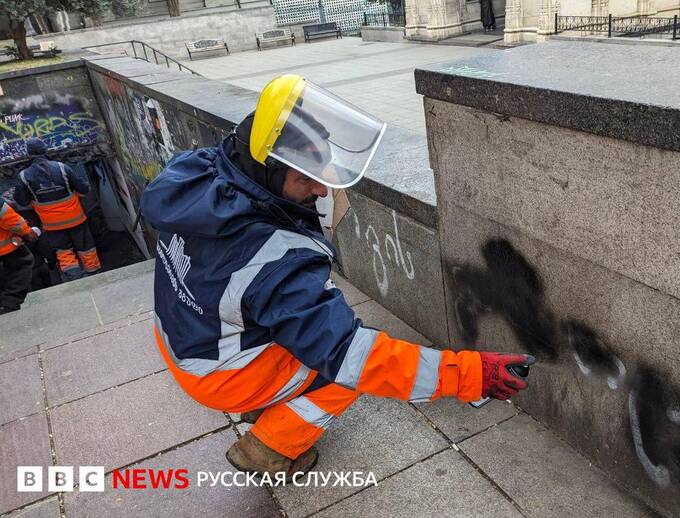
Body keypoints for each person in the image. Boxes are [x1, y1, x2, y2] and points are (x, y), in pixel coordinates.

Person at [141, 75, 534, 478]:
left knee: (314, 338)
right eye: (305, 178)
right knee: (345, 371)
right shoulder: (274, 261)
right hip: (217, 373)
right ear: (271, 172)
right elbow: (354, 358)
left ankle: (262, 398)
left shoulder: (202, 172)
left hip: (180, 336)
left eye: (321, 167)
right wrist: (471, 375)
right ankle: (268, 449)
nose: (323, 190)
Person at [14, 138, 101, 281]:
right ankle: (94, 274)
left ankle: (75, 277)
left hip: (52, 225)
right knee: (86, 247)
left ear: (29, 154)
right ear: (45, 150)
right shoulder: (62, 167)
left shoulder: (24, 176)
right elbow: (83, 189)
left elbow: (21, 201)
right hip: (76, 219)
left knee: (63, 252)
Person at [0, 198, 38, 314]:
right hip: (6, 247)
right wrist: (27, 233)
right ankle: (9, 304)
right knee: (22, 265)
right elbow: (9, 218)